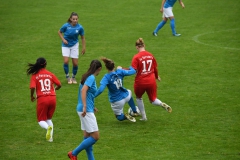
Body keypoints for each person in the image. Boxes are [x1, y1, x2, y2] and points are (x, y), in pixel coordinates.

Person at [68, 60, 102, 160]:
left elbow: (87, 94)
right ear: (99, 69)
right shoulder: (91, 77)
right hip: (85, 111)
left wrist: (91, 105)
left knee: (87, 137)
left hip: (83, 108)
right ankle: (73, 153)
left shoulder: (86, 76)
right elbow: (84, 90)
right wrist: (85, 106)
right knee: (95, 136)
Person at [131, 38, 172, 121]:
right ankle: (161, 103)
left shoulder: (136, 57)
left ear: (136, 47)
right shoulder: (150, 55)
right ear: (144, 45)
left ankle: (144, 117)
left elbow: (132, 70)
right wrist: (157, 76)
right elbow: (155, 68)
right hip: (151, 81)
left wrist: (122, 70)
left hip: (140, 82)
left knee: (139, 98)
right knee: (153, 99)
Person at [27, 57, 61, 142]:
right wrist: (55, 89)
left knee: (41, 120)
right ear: (46, 64)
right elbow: (59, 84)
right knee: (48, 119)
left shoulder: (35, 75)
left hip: (42, 99)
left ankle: (47, 128)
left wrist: (32, 96)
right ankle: (50, 139)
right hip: (52, 98)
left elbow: (32, 87)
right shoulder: (50, 74)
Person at [95, 57, 139, 123]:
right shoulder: (120, 71)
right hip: (126, 95)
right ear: (114, 66)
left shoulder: (106, 77)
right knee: (129, 92)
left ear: (106, 68)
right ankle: (135, 111)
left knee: (118, 117)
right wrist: (130, 67)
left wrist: (93, 96)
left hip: (117, 101)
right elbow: (133, 71)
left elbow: (101, 90)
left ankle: (125, 116)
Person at [58, 12, 86, 84]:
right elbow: (59, 32)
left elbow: (83, 38)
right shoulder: (66, 26)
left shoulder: (80, 27)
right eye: (73, 19)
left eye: (76, 19)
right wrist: (63, 40)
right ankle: (67, 77)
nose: (75, 20)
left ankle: (73, 77)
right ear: (71, 19)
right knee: (66, 61)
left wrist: (83, 47)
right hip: (65, 45)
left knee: (75, 64)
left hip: (74, 45)